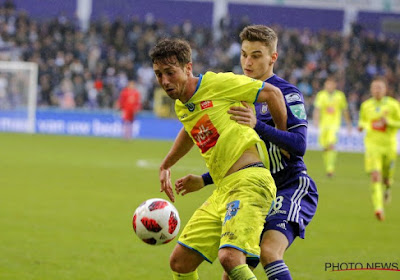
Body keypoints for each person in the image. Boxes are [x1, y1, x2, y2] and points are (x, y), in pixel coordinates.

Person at [175, 25, 319, 280]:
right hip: (249, 189)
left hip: (289, 186)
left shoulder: (287, 93)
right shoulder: (234, 91)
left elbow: (299, 146)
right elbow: (237, 153)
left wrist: (258, 125)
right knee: (231, 272)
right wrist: (205, 179)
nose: (247, 62)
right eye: (244, 54)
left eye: (256, 55)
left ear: (272, 58)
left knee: (269, 252)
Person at [149, 38, 288, 280]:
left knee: (230, 258)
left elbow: (273, 93)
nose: (164, 81)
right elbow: (190, 130)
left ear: (188, 68)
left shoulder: (218, 83)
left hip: (250, 183)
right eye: (159, 74)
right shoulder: (184, 105)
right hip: (223, 189)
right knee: (180, 262)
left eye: (170, 73)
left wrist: (282, 138)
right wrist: (166, 164)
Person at [358, 77, 400, 221]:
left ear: (385, 89)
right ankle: (378, 208)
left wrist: (389, 122)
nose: (377, 90)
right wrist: (362, 125)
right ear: (371, 90)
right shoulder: (366, 106)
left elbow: (398, 122)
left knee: (387, 179)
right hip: (372, 145)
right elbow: (363, 120)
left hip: (389, 146)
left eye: (380, 87)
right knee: (375, 175)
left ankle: (388, 188)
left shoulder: (393, 105)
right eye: (374, 87)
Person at [313, 77, 352, 177]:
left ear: (335, 85)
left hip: (334, 125)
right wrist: (316, 120)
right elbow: (317, 109)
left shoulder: (340, 96)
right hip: (323, 125)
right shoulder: (321, 95)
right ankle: (328, 167)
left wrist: (348, 123)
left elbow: (345, 110)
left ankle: (330, 169)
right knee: (325, 147)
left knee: (331, 145)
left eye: (331, 84)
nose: (329, 86)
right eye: (327, 84)